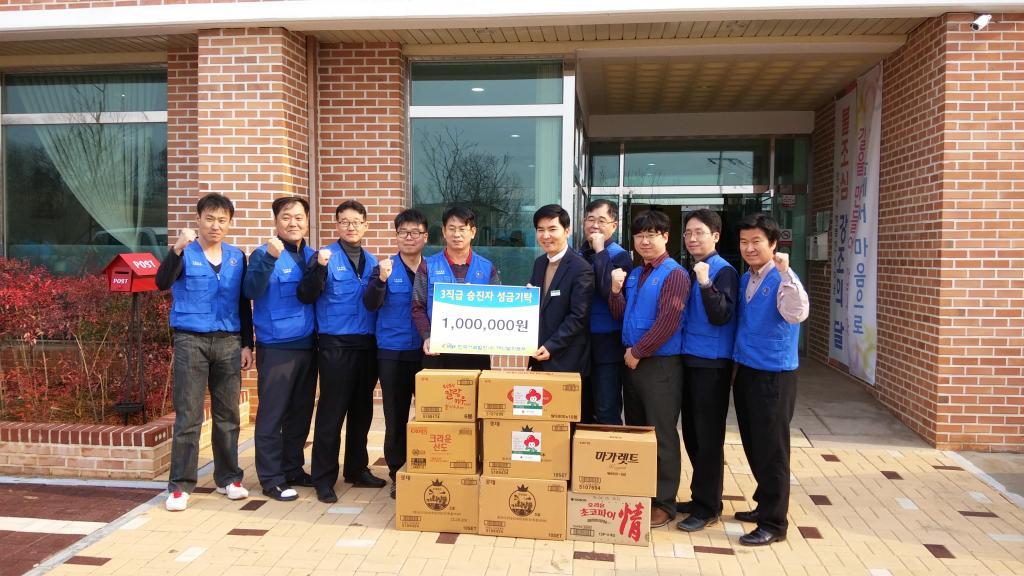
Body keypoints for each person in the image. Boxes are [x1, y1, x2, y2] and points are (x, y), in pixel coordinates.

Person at [155, 193, 252, 512]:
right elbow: (161, 282)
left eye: (222, 220)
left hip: (228, 341)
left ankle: (229, 478)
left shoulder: (237, 256)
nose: (215, 225)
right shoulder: (184, 252)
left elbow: (243, 303)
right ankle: (180, 486)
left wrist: (247, 343)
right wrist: (176, 249)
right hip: (191, 341)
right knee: (189, 415)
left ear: (230, 223)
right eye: (209, 218)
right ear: (198, 220)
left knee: (228, 415)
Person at [299, 200, 386, 504]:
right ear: (336, 225)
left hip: (367, 344)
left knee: (362, 411)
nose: (351, 227)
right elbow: (306, 294)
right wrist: (319, 269)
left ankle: (356, 469)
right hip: (335, 344)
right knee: (331, 413)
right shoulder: (323, 256)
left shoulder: (374, 262)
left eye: (356, 222)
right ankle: (323, 478)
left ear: (366, 226)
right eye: (345, 221)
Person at [731, 213, 809, 546]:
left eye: (756, 241)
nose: (749, 248)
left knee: (773, 449)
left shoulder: (782, 277)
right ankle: (764, 504)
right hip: (747, 369)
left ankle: (774, 523)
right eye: (744, 242)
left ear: (773, 244)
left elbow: (797, 312)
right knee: (753, 442)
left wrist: (786, 272)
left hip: (774, 374)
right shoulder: (745, 278)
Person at [609, 210, 689, 529]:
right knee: (638, 431)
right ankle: (643, 492)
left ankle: (665, 502)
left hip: (659, 364)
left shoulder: (674, 274)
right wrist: (615, 291)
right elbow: (622, 315)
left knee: (662, 432)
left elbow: (668, 321)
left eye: (652, 235)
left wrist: (638, 351)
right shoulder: (636, 273)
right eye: (639, 235)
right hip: (633, 362)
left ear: (665, 237)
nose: (644, 241)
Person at [243, 196, 317, 502]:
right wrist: (269, 259)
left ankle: (293, 468)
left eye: (299, 217)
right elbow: (250, 290)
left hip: (308, 345)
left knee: (301, 413)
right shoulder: (263, 254)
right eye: (286, 217)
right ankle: (271, 478)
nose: (293, 223)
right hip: (277, 347)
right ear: (276, 221)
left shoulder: (313, 256)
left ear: (307, 221)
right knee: (272, 415)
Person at [674, 209, 739, 533]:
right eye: (688, 233)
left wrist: (705, 283)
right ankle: (701, 497)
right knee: (693, 434)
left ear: (715, 235)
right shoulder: (694, 268)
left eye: (699, 232)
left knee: (708, 437)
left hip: (712, 364)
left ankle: (709, 506)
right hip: (691, 359)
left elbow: (721, 315)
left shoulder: (723, 271)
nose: (692, 238)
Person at [362, 209, 429, 499]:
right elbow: (370, 304)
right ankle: (397, 473)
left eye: (415, 232)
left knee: (430, 415)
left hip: (428, 354)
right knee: (395, 416)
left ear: (426, 237)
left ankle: (427, 467)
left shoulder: (434, 268)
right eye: (403, 232)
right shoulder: (384, 267)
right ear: (396, 236)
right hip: (393, 353)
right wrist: (381, 280)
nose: (409, 237)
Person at [412, 206, 499, 370]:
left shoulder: (487, 268)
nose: (457, 234)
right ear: (444, 232)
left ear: (473, 232)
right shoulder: (427, 266)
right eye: (451, 229)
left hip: (476, 352)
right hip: (437, 351)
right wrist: (427, 336)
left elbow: (497, 308)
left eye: (462, 229)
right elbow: (417, 307)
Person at [578, 199, 634, 424]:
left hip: (607, 345)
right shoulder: (578, 253)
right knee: (580, 408)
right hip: (580, 344)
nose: (595, 225)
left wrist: (600, 250)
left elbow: (607, 291)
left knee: (606, 409)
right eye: (590, 219)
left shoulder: (620, 256)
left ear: (614, 225)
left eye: (602, 220)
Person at [528, 204, 594, 374]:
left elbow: (579, 316)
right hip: (538, 356)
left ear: (567, 231)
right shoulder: (539, 263)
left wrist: (551, 346)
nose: (546, 236)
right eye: (540, 230)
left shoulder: (581, 268)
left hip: (566, 359)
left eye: (552, 229)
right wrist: (528, 298)